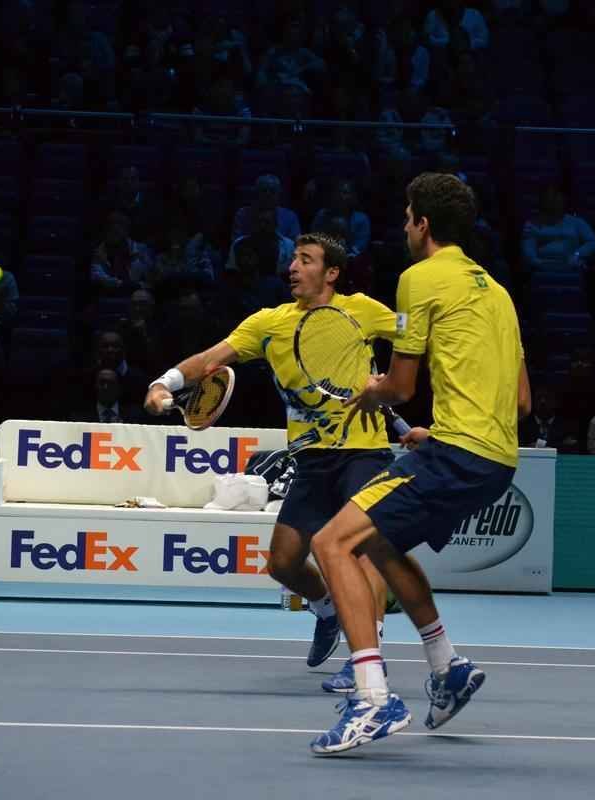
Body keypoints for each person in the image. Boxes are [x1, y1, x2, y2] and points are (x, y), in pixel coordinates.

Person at [303, 173, 531, 754]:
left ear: (423, 225)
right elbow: (522, 400)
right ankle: (446, 667)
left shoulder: (419, 278)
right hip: (494, 457)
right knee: (378, 544)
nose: (404, 227)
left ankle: (373, 700)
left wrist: (371, 391)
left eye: (407, 218)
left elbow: (401, 387)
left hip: (457, 454)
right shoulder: (498, 293)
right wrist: (445, 426)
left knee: (332, 544)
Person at [143, 232, 406, 695]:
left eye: (305, 260)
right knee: (283, 563)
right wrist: (163, 383)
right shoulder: (269, 322)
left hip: (364, 451)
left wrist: (392, 384)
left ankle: (369, 657)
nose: (292, 268)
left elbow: (414, 340)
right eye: (293, 259)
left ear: (331, 273)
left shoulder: (363, 309)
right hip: (311, 459)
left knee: (362, 548)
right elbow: (209, 360)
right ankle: (326, 609)